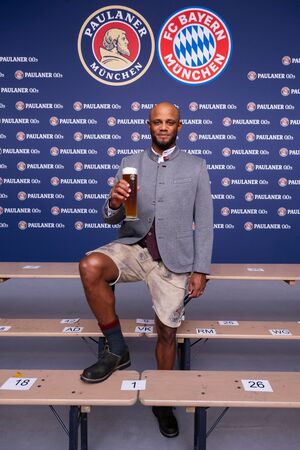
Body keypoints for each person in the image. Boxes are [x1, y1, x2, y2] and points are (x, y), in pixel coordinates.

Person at [79, 101, 213, 438]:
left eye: (170, 122)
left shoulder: (196, 167)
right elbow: (122, 216)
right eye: (157, 122)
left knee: (167, 331)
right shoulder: (131, 164)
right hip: (135, 247)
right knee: (90, 264)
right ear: (149, 125)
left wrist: (201, 270)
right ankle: (116, 349)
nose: (163, 127)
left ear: (179, 127)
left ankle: (162, 400)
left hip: (174, 259)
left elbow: (206, 223)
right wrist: (113, 202)